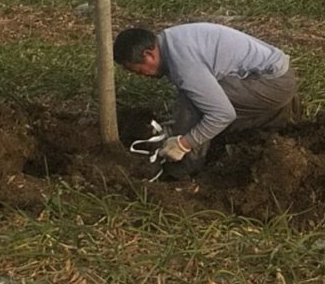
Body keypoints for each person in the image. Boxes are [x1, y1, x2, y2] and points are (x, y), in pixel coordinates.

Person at [113, 21, 299, 174]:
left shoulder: (183, 64)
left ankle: (183, 169)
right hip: (272, 74)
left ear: (148, 55)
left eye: (137, 71)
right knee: (197, 96)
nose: (141, 76)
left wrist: (184, 144)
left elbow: (222, 114)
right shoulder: (170, 41)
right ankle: (277, 116)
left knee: (195, 103)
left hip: (274, 83)